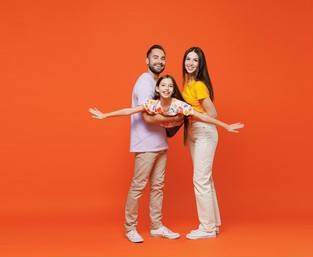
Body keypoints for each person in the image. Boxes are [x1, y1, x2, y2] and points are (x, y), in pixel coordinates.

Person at [90, 45, 182, 243]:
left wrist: (173, 119)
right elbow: (148, 118)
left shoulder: (158, 83)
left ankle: (156, 226)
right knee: (138, 186)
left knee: (158, 187)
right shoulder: (145, 82)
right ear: (147, 60)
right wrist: (173, 119)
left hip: (160, 143)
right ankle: (130, 228)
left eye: (163, 58)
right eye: (155, 57)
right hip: (145, 144)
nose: (160, 61)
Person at [181, 46, 244, 240]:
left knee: (200, 180)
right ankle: (213, 224)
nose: (190, 63)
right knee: (205, 179)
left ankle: (206, 228)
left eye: (195, 60)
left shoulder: (199, 85)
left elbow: (213, 114)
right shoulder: (186, 84)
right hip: (195, 133)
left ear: (200, 65)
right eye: (188, 59)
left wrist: (192, 113)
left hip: (205, 133)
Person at [89, 75, 243, 134]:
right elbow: (129, 110)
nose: (167, 89)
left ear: (173, 89)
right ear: (157, 88)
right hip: (165, 124)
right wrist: (105, 115)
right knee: (148, 116)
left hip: (177, 122)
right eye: (163, 85)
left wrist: (225, 125)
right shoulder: (152, 104)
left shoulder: (179, 105)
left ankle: (184, 113)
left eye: (170, 86)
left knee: (188, 114)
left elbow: (206, 117)